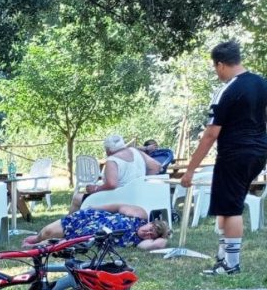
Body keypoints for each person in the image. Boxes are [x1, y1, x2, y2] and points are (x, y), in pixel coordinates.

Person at [180, 39, 267, 276]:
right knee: (225, 203)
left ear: (220, 65)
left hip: (235, 153)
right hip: (258, 152)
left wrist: (190, 169)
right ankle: (222, 257)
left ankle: (232, 264)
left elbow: (211, 134)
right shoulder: (261, 83)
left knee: (231, 208)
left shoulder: (228, 89)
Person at [22, 203, 170, 250]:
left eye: (152, 235)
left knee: (49, 246)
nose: (147, 233)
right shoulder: (139, 216)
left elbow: (160, 244)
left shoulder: (140, 241)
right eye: (150, 229)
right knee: (47, 232)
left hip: (88, 238)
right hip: (87, 219)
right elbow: (117, 206)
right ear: (150, 222)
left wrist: (164, 235)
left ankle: (36, 246)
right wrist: (93, 208)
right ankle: (36, 238)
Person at [69, 135, 150, 211]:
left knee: (77, 198)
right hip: (137, 196)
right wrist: (144, 181)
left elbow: (112, 184)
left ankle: (69, 224)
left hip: (117, 199)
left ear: (108, 150)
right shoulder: (136, 152)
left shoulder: (113, 159)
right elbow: (156, 166)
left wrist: (96, 189)